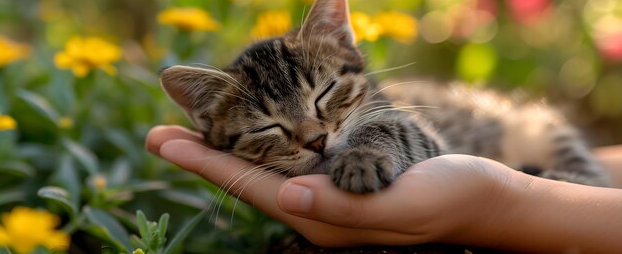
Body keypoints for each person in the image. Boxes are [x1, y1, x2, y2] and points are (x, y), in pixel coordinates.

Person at [146, 125, 622, 253]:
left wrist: (500, 199)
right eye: (270, 127)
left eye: (326, 99)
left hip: (506, 138)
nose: (313, 135)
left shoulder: (378, 115)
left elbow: (414, 136)